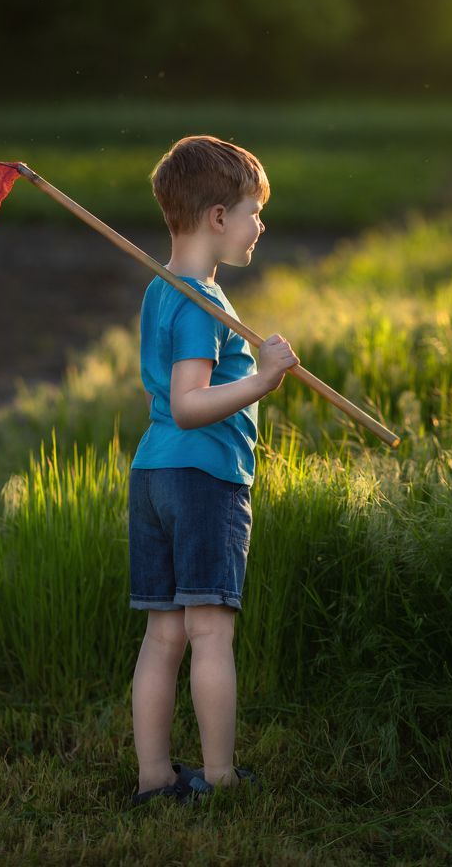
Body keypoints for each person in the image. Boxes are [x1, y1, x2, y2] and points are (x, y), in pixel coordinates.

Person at [128, 135, 299, 806]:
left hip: (154, 476)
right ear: (218, 218)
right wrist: (264, 381)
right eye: (254, 210)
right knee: (209, 633)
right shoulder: (203, 302)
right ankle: (219, 777)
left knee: (164, 634)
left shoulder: (159, 290)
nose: (261, 224)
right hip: (203, 477)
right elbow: (189, 404)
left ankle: (153, 779)